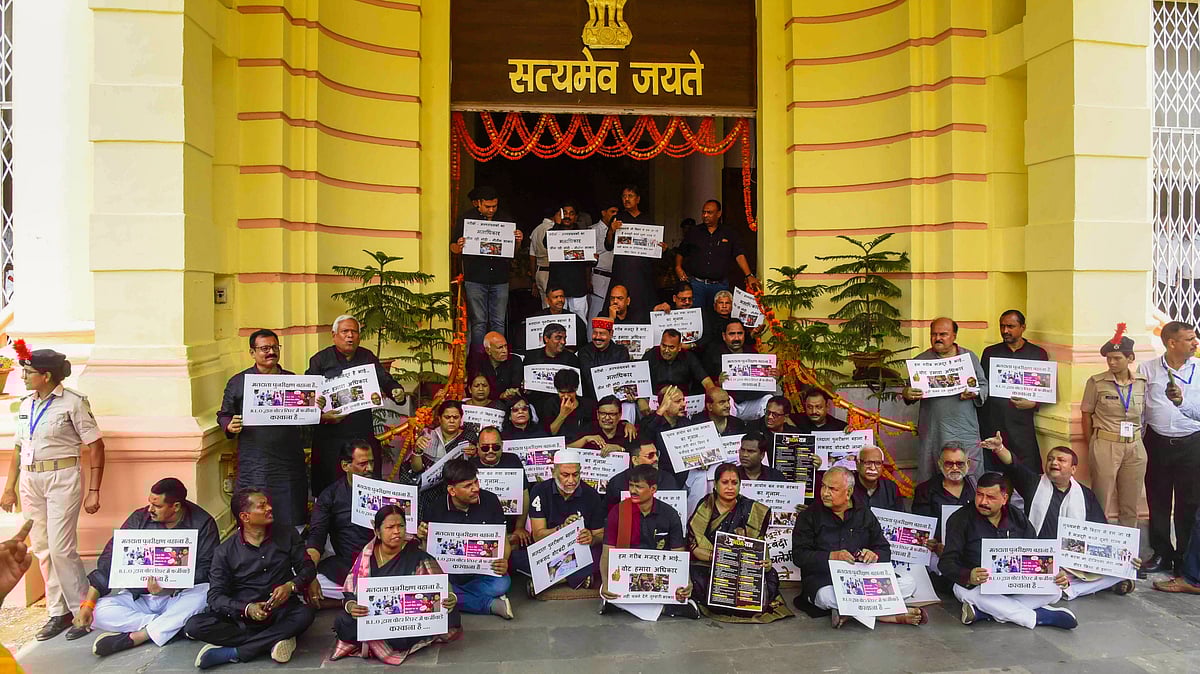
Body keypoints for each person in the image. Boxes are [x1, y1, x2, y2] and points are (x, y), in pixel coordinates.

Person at [0, 342, 105, 641]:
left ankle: (81, 610)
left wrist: (94, 489)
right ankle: (57, 612)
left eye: (28, 372)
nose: (22, 376)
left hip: (62, 476)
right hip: (31, 480)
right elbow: (19, 449)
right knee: (43, 548)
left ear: (46, 376)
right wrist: (9, 488)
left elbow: (96, 445)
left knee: (61, 548)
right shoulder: (25, 404)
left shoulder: (72, 402)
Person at [72, 478, 219, 655]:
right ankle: (172, 627)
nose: (150, 509)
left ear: (176, 506)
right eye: (149, 503)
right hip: (140, 598)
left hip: (178, 596)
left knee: (204, 593)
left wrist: (170, 584)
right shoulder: (138, 519)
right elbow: (110, 561)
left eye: (157, 506)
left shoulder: (203, 523)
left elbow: (208, 569)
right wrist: (87, 604)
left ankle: (138, 636)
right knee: (97, 613)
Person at [983, 435, 1136, 598]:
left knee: (1120, 572)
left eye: (1061, 460)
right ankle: (1070, 588)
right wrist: (999, 448)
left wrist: (1127, 558)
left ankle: (1066, 587)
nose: (1054, 463)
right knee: (1016, 572)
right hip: (1037, 557)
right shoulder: (1033, 484)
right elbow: (1014, 465)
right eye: (1050, 459)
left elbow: (1101, 533)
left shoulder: (1085, 495)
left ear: (1073, 469)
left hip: (1071, 563)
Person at [184, 489, 317, 668]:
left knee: (305, 614)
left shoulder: (287, 534)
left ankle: (235, 652)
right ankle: (275, 639)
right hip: (242, 618)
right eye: (262, 506)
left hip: (281, 611)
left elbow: (307, 568)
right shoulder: (225, 551)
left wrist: (291, 586)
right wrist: (247, 608)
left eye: (268, 503)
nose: (270, 508)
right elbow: (215, 596)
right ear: (245, 517)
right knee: (194, 625)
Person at [940, 473, 1077, 629]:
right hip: (977, 586)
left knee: (1055, 591)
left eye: (990, 497)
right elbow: (946, 563)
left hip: (1014, 583)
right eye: (979, 495)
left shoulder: (1016, 516)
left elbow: (1036, 552)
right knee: (970, 594)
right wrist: (969, 576)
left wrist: (1055, 574)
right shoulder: (960, 519)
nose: (983, 502)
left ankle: (985, 613)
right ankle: (1037, 617)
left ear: (1004, 499)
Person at [792, 467, 925, 627]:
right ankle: (889, 616)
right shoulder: (809, 516)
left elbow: (884, 548)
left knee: (908, 583)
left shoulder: (864, 514)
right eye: (823, 486)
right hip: (826, 579)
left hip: (862, 579)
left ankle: (849, 613)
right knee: (825, 596)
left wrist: (874, 555)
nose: (825, 493)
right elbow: (800, 556)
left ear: (848, 493)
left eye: (832, 489)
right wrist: (832, 556)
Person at [331, 504, 462, 664]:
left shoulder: (417, 555)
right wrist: (352, 606)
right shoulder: (367, 557)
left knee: (450, 613)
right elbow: (351, 593)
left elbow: (441, 584)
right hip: (375, 617)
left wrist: (450, 597)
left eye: (401, 526)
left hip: (408, 619)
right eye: (390, 527)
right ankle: (381, 639)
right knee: (343, 622)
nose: (396, 531)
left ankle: (377, 642)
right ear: (377, 532)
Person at [217, 329, 308, 530]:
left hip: (288, 462)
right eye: (264, 348)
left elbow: (307, 412)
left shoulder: (292, 380)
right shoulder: (239, 382)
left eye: (275, 348)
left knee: (291, 515)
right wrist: (229, 425)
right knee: (254, 513)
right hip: (255, 461)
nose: (271, 352)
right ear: (252, 352)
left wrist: (313, 405)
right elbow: (224, 414)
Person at [307, 315, 406, 496]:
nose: (350, 336)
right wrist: (318, 410)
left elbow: (385, 380)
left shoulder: (367, 357)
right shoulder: (320, 360)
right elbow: (308, 396)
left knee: (366, 484)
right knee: (330, 487)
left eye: (354, 332)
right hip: (330, 434)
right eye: (345, 331)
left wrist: (396, 392)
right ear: (334, 335)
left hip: (361, 430)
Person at [688, 463, 793, 622]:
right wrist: (721, 558)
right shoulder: (706, 505)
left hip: (743, 567)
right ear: (715, 485)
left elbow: (759, 543)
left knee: (770, 575)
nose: (730, 487)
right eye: (725, 483)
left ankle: (735, 603)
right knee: (696, 577)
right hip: (711, 565)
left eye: (734, 483)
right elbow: (695, 544)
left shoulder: (751, 508)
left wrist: (766, 562)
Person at [1138, 320, 1200, 574]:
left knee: (1189, 502)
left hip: (1192, 443)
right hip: (1157, 442)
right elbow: (1140, 409)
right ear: (1172, 343)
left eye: (1195, 338)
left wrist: (1181, 403)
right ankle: (1162, 552)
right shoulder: (1148, 368)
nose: (1196, 342)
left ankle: (1185, 557)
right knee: (1158, 500)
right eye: (1189, 339)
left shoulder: (1199, 368)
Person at [419, 459, 513, 619]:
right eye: (468, 486)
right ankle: (489, 605)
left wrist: (504, 560)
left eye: (476, 482)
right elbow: (427, 554)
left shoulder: (490, 500)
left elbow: (504, 541)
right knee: (427, 584)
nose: (476, 489)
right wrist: (423, 537)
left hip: (482, 572)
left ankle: (454, 596)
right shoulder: (436, 508)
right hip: (450, 573)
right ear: (452, 490)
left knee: (501, 584)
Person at [600, 464, 698, 619]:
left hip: (659, 573)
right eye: (631, 486)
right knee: (612, 592)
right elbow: (607, 552)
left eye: (638, 487)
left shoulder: (669, 515)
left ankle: (625, 606)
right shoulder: (618, 512)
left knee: (679, 593)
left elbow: (678, 555)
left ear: (653, 489)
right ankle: (665, 609)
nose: (633, 491)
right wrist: (606, 582)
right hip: (628, 571)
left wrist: (686, 582)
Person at [902, 318, 989, 482]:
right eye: (933, 334)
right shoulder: (921, 361)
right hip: (933, 432)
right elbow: (908, 391)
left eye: (943, 334)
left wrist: (975, 393)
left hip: (963, 428)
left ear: (954, 336)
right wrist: (907, 393)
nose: (938, 338)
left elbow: (984, 386)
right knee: (931, 474)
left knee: (969, 474)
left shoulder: (968, 357)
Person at [513, 449, 606, 595]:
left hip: (577, 551)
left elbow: (600, 534)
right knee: (515, 557)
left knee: (602, 554)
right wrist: (562, 528)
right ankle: (577, 576)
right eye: (565, 475)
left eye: (576, 475)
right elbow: (537, 536)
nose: (571, 480)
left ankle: (548, 580)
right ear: (553, 472)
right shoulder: (540, 491)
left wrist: (591, 538)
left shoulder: (591, 495)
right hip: (549, 550)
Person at [1080, 324, 1146, 528]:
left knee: (1131, 502)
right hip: (1106, 443)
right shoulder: (1097, 382)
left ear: (1130, 358)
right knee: (1101, 500)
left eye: (1117, 358)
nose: (1112, 362)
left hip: (1134, 446)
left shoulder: (1141, 382)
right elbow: (1086, 414)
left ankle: (1128, 551)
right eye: (1109, 358)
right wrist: (1092, 442)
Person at [450, 185, 523, 348]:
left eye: (494, 206)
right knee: (478, 323)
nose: (491, 210)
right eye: (488, 206)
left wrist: (518, 241)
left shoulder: (506, 220)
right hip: (475, 277)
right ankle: (478, 361)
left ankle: (498, 360)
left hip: (500, 278)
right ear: (478, 203)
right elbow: (453, 247)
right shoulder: (466, 219)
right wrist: (459, 245)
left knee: (499, 322)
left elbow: (513, 252)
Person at [978, 310, 1049, 472]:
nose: (1005, 331)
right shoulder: (990, 352)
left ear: (1023, 327)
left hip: (1022, 425)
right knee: (994, 471)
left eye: (1010, 326)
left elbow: (1045, 389)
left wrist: (1033, 403)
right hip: (993, 421)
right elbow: (983, 385)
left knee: (1025, 471)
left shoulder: (1037, 354)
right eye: (1002, 326)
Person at [306, 441, 378, 600]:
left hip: (385, 561)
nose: (370, 469)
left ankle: (353, 599)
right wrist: (308, 577)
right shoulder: (330, 496)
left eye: (371, 462)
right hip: (349, 564)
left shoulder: (384, 489)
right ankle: (359, 597)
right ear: (346, 466)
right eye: (363, 464)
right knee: (305, 581)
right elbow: (316, 539)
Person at [674, 199, 759, 311]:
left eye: (709, 212)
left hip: (720, 285)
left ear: (719, 214)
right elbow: (681, 252)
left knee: (721, 314)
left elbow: (739, 254)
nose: (705, 215)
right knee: (696, 315)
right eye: (703, 212)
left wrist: (749, 275)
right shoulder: (694, 232)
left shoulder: (729, 233)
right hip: (697, 284)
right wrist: (678, 267)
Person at [469, 427, 533, 549]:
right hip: (481, 526)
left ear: (502, 445)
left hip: (510, 525)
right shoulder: (470, 465)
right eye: (485, 447)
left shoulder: (513, 460)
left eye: (496, 447)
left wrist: (519, 527)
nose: (490, 451)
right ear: (477, 447)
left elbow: (524, 495)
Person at [606, 186, 664, 319]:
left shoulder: (648, 220)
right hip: (622, 271)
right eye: (624, 196)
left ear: (638, 199)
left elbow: (655, 249)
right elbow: (608, 245)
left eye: (630, 196)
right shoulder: (617, 218)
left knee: (643, 306)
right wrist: (611, 231)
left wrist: (662, 248)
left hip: (643, 272)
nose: (626, 199)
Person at [912, 445, 977, 560]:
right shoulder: (925, 490)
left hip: (972, 551)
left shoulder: (977, 489)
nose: (955, 468)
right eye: (949, 464)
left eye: (960, 463)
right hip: (936, 554)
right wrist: (934, 545)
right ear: (940, 464)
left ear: (968, 463)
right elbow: (921, 529)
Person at [703, 319, 774, 420]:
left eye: (739, 333)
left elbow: (762, 378)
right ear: (724, 336)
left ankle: (763, 432)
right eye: (732, 334)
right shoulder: (714, 354)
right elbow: (707, 384)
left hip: (752, 401)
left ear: (744, 334)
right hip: (731, 403)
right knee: (725, 400)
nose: (736, 338)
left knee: (769, 400)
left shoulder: (752, 352)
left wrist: (772, 376)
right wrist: (717, 383)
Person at [540, 201, 593, 324]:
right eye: (565, 213)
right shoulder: (554, 231)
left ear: (576, 217)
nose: (567, 216)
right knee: (557, 321)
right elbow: (546, 243)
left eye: (571, 213)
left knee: (580, 321)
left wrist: (593, 258)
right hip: (558, 285)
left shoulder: (583, 235)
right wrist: (557, 225)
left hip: (578, 286)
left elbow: (589, 262)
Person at [639, 329, 717, 403]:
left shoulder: (688, 356)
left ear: (679, 347)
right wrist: (640, 399)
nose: (666, 350)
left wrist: (712, 398)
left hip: (683, 401)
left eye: (671, 347)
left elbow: (706, 381)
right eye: (663, 346)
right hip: (655, 401)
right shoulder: (651, 355)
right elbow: (638, 379)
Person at [605, 437, 681, 510]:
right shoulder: (617, 483)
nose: (656, 459)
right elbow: (608, 515)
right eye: (650, 455)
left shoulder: (668, 479)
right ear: (635, 460)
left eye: (657, 454)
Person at [523, 322, 582, 413]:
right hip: (537, 405)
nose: (563, 342)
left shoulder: (572, 359)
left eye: (564, 338)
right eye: (558, 338)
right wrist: (526, 387)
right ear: (546, 338)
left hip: (563, 404)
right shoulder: (531, 358)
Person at [411, 401, 477, 474]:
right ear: (439, 419)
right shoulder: (427, 435)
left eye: (455, 417)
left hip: (458, 481)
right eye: (447, 417)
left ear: (461, 419)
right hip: (429, 483)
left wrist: (475, 454)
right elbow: (416, 470)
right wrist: (417, 451)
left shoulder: (468, 436)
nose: (451, 421)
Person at [577, 317, 630, 401]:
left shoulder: (621, 351)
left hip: (616, 398)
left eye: (602, 333)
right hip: (591, 398)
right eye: (595, 333)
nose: (597, 337)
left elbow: (622, 378)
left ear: (611, 334)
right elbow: (589, 379)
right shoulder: (584, 352)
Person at [569, 395, 638, 454]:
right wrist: (585, 439)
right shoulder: (588, 428)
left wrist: (620, 449)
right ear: (597, 414)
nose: (607, 418)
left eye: (612, 414)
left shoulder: (628, 432)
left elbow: (638, 454)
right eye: (603, 413)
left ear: (620, 415)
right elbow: (566, 449)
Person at [539, 368, 595, 440]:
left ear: (576, 388)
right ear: (557, 390)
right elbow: (549, 434)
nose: (566, 396)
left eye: (570, 392)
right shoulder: (550, 404)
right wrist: (563, 415)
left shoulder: (589, 405)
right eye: (562, 392)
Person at [467, 331, 522, 403]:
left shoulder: (515, 361)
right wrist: (500, 395)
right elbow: (475, 390)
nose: (505, 351)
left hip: (508, 403)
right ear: (488, 350)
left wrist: (509, 393)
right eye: (500, 348)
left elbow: (515, 387)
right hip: (484, 403)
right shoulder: (478, 363)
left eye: (505, 346)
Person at [533, 285, 589, 352]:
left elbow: (582, 343)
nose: (560, 300)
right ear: (547, 300)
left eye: (562, 296)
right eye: (556, 297)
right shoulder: (538, 318)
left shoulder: (575, 319)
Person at [589, 200, 618, 322]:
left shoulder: (621, 230)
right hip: (599, 278)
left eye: (617, 212)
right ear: (603, 213)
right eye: (612, 212)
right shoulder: (592, 231)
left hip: (616, 278)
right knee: (596, 315)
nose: (615, 214)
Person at [853, 446, 902, 510]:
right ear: (857, 464)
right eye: (868, 463)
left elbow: (900, 516)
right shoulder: (846, 486)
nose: (873, 468)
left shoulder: (891, 488)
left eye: (878, 463)